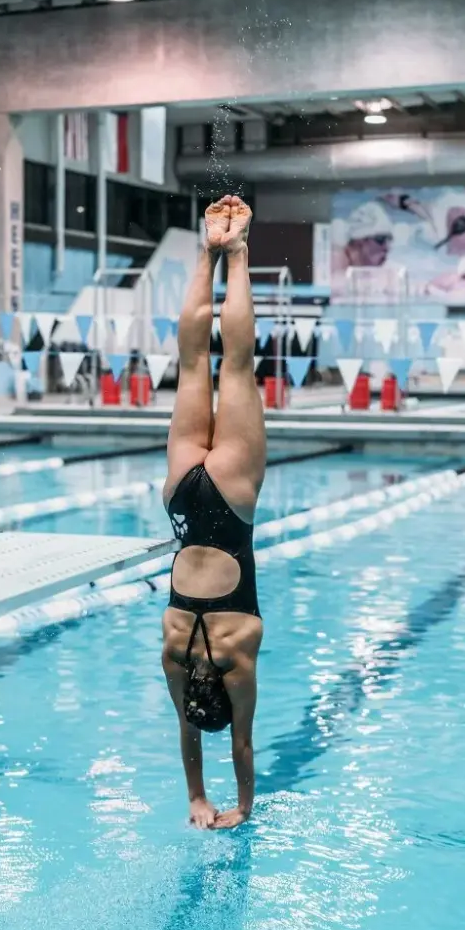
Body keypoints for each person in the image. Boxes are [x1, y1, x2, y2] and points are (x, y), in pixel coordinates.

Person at [161, 195, 266, 831]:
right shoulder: (173, 649)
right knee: (194, 364)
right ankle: (207, 251)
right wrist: (195, 798)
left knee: (239, 367)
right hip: (181, 494)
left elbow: (242, 744)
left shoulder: (239, 652)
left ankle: (239, 251)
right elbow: (186, 728)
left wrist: (242, 806)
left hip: (230, 499)